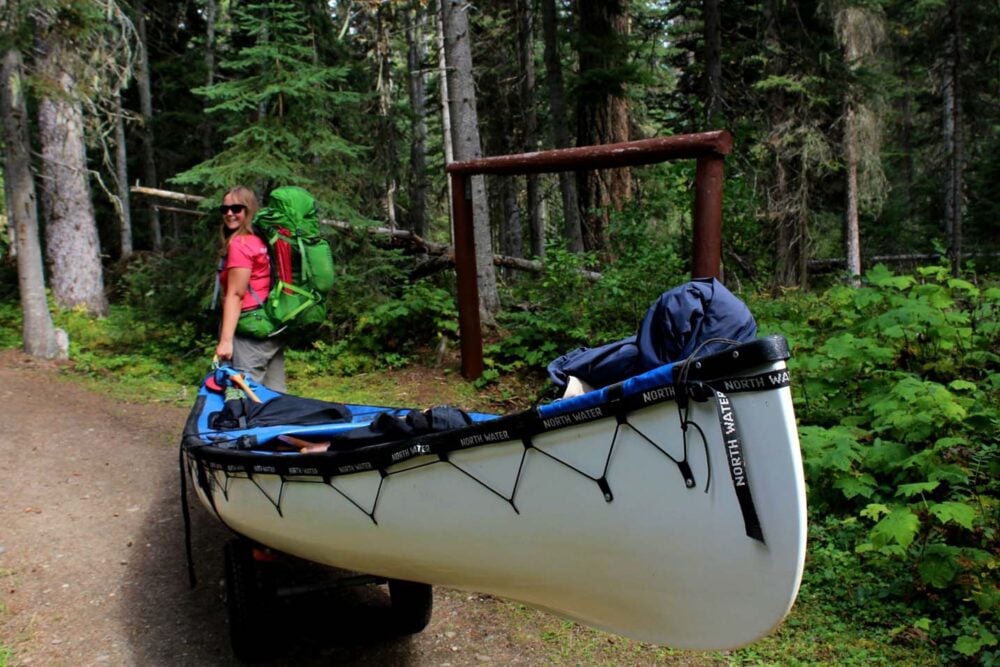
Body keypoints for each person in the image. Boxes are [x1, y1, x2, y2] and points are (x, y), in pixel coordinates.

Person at [214, 185, 286, 392]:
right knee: (275, 395)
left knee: (243, 397)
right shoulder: (259, 241)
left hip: (249, 332)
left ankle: (244, 425)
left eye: (236, 208)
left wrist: (226, 341)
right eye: (225, 209)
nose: (229, 213)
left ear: (248, 210)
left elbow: (236, 294)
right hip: (269, 327)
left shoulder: (241, 244)